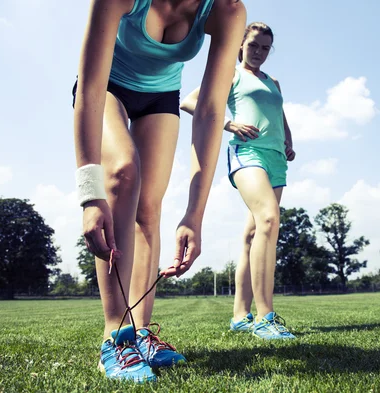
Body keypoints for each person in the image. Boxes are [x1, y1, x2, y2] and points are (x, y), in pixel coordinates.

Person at [73, 0, 247, 383]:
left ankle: (141, 331)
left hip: (161, 96)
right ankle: (115, 337)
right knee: (122, 172)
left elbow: (210, 111)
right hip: (107, 86)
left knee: (149, 211)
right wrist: (90, 193)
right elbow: (89, 87)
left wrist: (194, 216)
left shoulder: (227, 10)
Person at [180, 22, 296, 340]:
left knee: (253, 234)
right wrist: (230, 124)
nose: (258, 52)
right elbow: (190, 102)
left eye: (265, 48)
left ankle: (239, 316)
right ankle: (264, 317)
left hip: (275, 161)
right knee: (270, 220)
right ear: (241, 44)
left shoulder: (274, 82)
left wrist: (288, 141)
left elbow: (280, 117)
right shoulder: (231, 74)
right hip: (248, 154)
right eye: (253, 45)